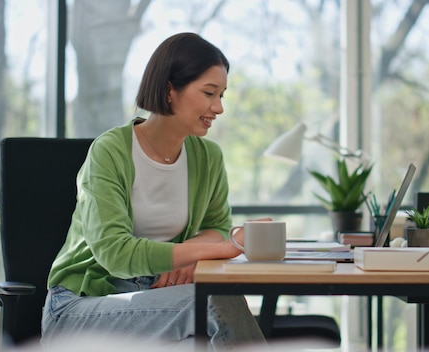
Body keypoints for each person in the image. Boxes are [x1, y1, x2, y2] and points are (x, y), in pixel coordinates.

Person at [40, 32, 267, 350]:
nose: (218, 107)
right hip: (79, 308)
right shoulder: (110, 152)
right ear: (169, 89)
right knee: (212, 298)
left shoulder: (208, 157)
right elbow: (115, 254)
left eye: (222, 95)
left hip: (157, 301)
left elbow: (216, 226)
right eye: (209, 93)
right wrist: (212, 250)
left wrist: (192, 252)